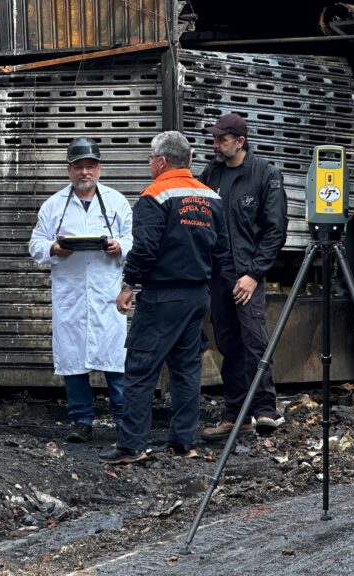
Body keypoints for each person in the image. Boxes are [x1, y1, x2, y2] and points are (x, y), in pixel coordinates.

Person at [98, 131, 233, 464]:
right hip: (197, 296)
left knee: (141, 368)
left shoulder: (154, 195)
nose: (149, 165)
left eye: (149, 159)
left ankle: (131, 446)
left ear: (160, 160)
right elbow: (222, 250)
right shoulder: (210, 197)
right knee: (186, 371)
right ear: (187, 160)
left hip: (162, 298)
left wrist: (129, 284)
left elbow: (143, 248)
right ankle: (183, 442)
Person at [28, 137, 133, 443]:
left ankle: (123, 420)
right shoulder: (53, 205)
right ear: (69, 170)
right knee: (73, 358)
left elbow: (134, 240)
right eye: (78, 167)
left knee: (115, 357)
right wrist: (53, 247)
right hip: (71, 295)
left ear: (99, 169)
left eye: (90, 166)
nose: (84, 172)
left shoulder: (116, 202)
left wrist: (119, 246)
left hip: (107, 293)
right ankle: (81, 420)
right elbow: (35, 243)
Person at [198, 112, 289, 440]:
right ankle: (235, 415)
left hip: (247, 276)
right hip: (219, 275)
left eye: (222, 139)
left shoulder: (264, 174)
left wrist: (253, 274)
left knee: (254, 340)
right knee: (228, 344)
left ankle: (265, 409)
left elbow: (275, 230)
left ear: (240, 141)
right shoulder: (212, 173)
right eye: (215, 139)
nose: (216, 144)